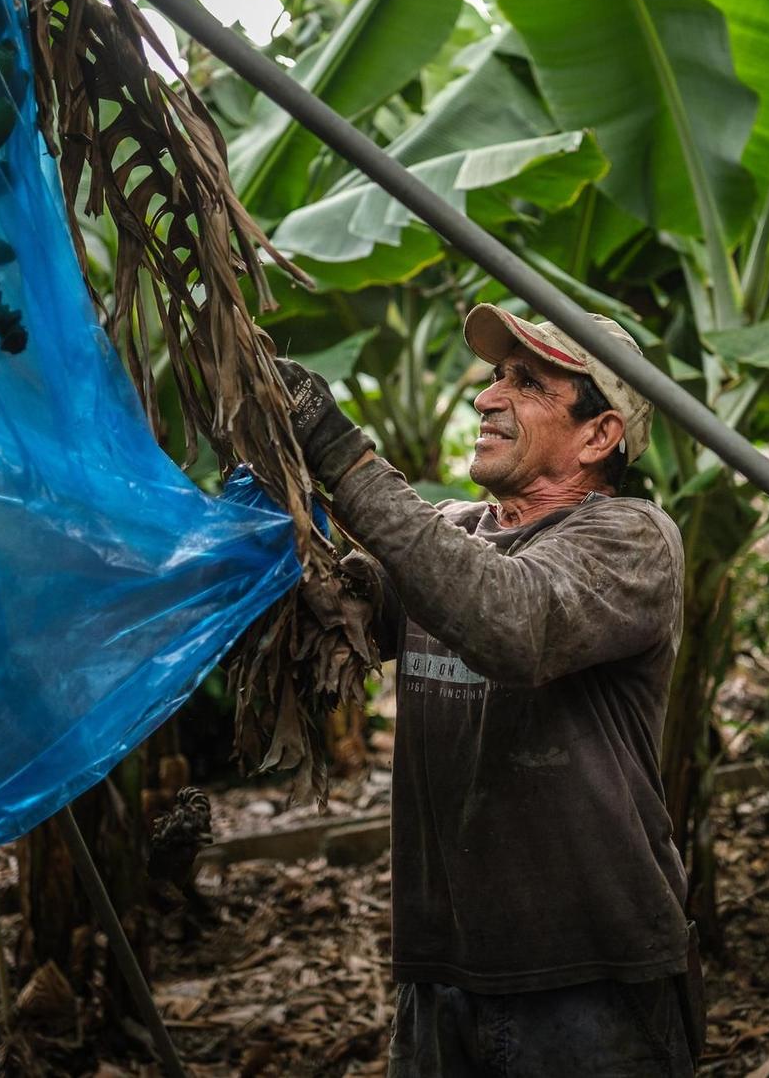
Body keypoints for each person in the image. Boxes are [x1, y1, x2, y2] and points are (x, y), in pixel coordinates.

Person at [277, 303, 699, 1076]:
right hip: (440, 976)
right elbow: (336, 610)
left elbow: (510, 619)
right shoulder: (454, 532)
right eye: (498, 374)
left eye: (528, 382)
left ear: (599, 434)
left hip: (589, 983)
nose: (488, 396)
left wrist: (341, 454)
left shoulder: (635, 541)